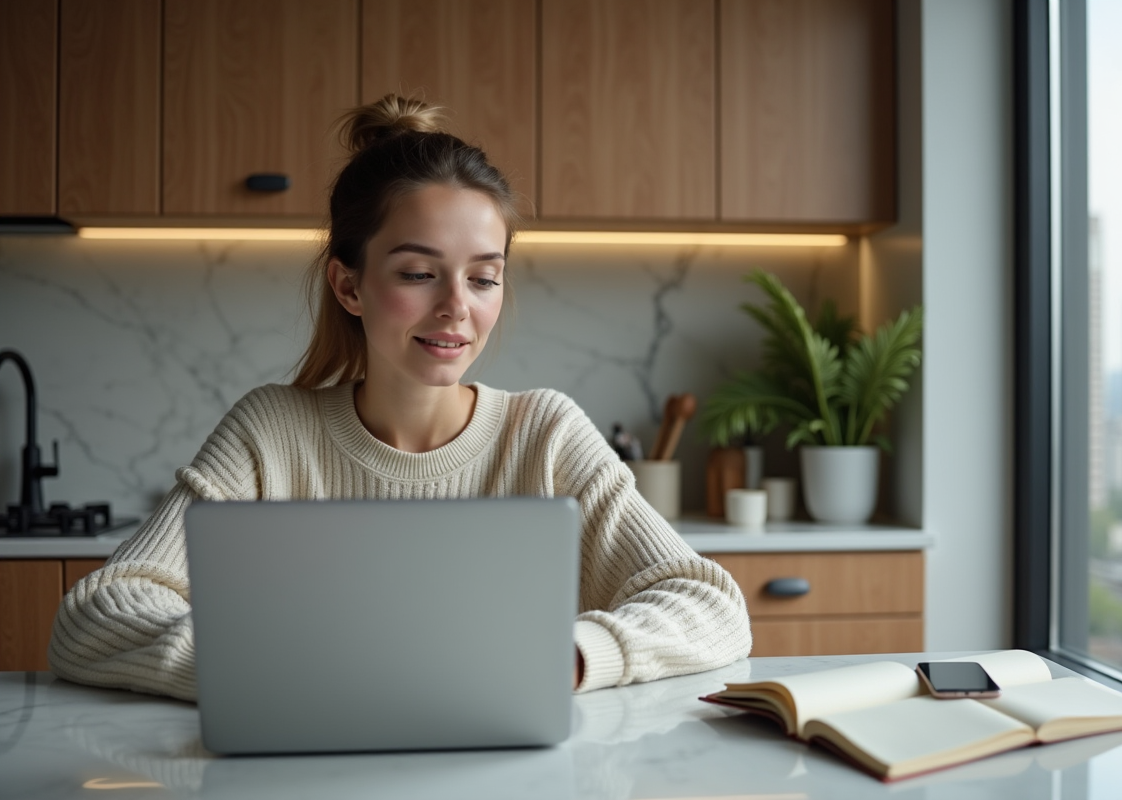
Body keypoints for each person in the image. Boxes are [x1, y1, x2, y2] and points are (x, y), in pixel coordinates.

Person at [48, 94, 752, 701]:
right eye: (419, 273)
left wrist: (568, 656)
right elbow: (94, 617)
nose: (456, 308)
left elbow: (712, 605)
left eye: (483, 278)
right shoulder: (272, 433)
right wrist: (285, 669)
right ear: (348, 285)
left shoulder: (544, 434)